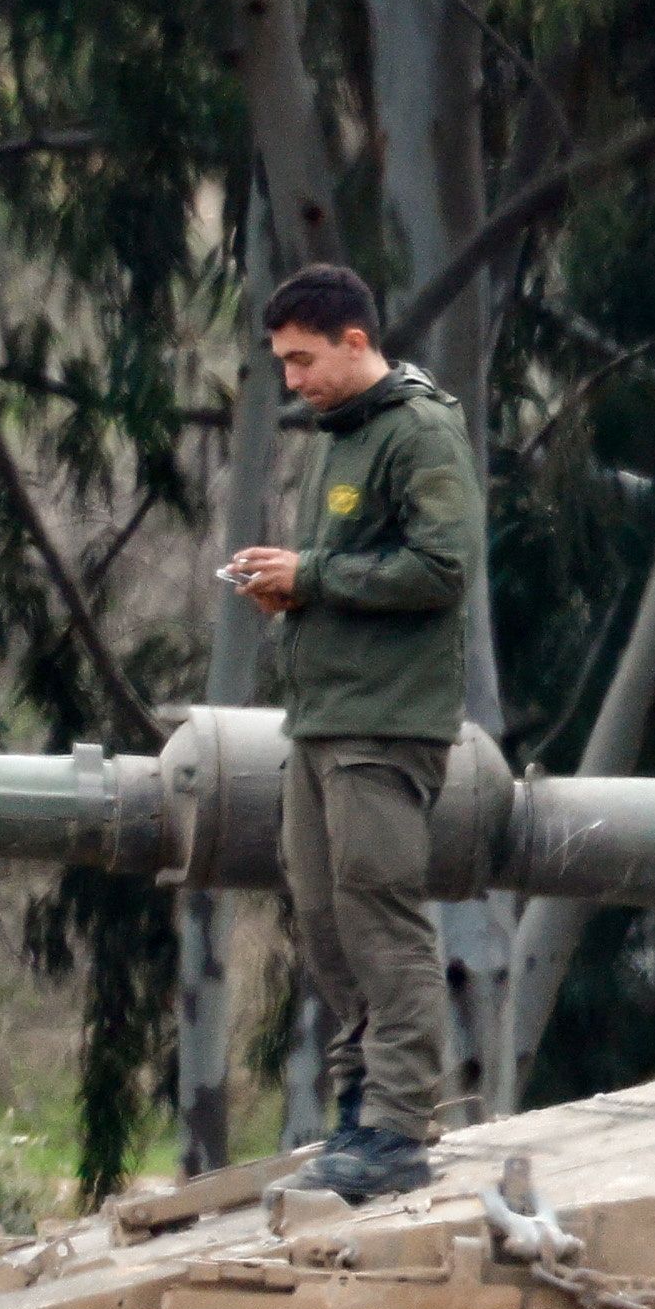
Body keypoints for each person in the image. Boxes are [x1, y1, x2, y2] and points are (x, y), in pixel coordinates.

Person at [224, 263, 479, 1204]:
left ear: (356, 341)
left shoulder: (418, 431)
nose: (292, 381)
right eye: (283, 364)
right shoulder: (341, 439)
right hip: (324, 719)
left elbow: (443, 567)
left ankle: (401, 1126)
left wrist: (316, 577)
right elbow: (345, 566)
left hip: (386, 722)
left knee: (382, 916)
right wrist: (288, 584)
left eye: (303, 360)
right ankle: (359, 1106)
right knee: (327, 924)